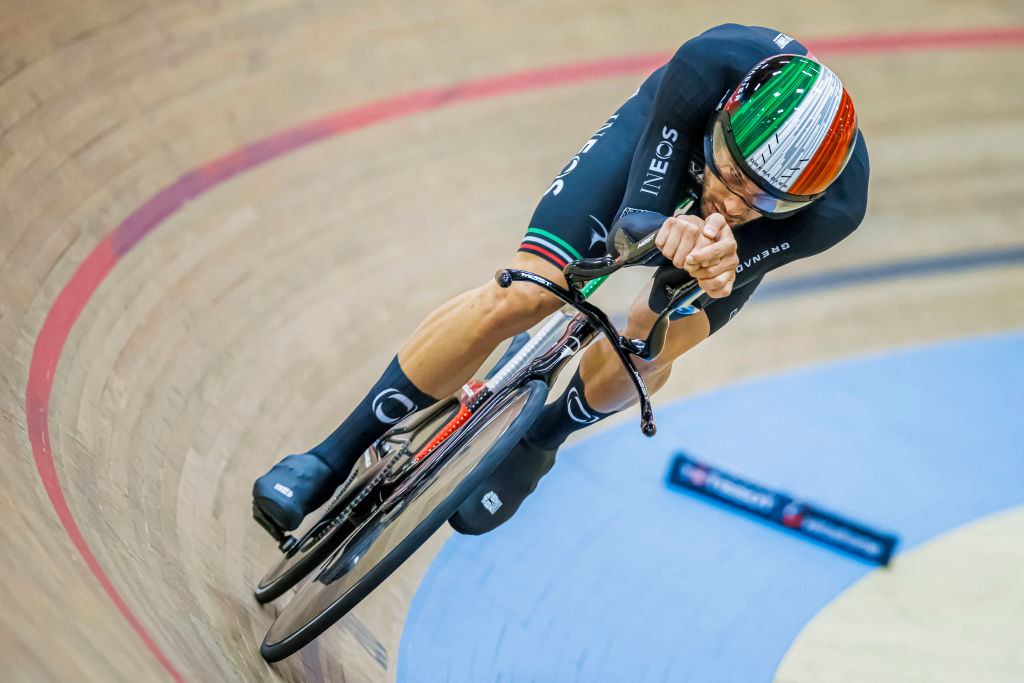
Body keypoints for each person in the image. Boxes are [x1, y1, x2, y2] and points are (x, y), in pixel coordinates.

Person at [252, 23, 868, 535]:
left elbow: (673, 294)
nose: (732, 204)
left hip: (742, 242)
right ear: (723, 125)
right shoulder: (710, 63)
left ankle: (541, 440)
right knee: (526, 293)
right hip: (664, 151)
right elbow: (634, 224)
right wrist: (666, 228)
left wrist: (690, 272)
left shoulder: (832, 209)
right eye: (732, 176)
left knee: (645, 347)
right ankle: (332, 456)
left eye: (761, 199)